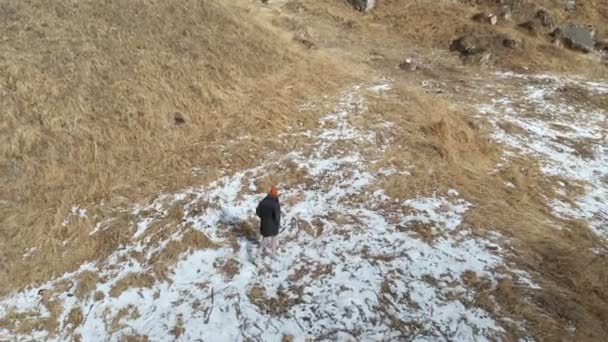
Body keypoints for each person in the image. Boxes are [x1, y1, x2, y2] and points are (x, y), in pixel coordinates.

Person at [256, 186, 281, 257]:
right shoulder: (275, 203)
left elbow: (258, 212)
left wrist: (263, 218)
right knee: (274, 238)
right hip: (273, 225)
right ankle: (273, 253)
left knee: (265, 238)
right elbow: (277, 215)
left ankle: (259, 252)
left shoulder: (263, 201)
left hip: (264, 223)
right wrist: (277, 223)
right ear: (275, 194)